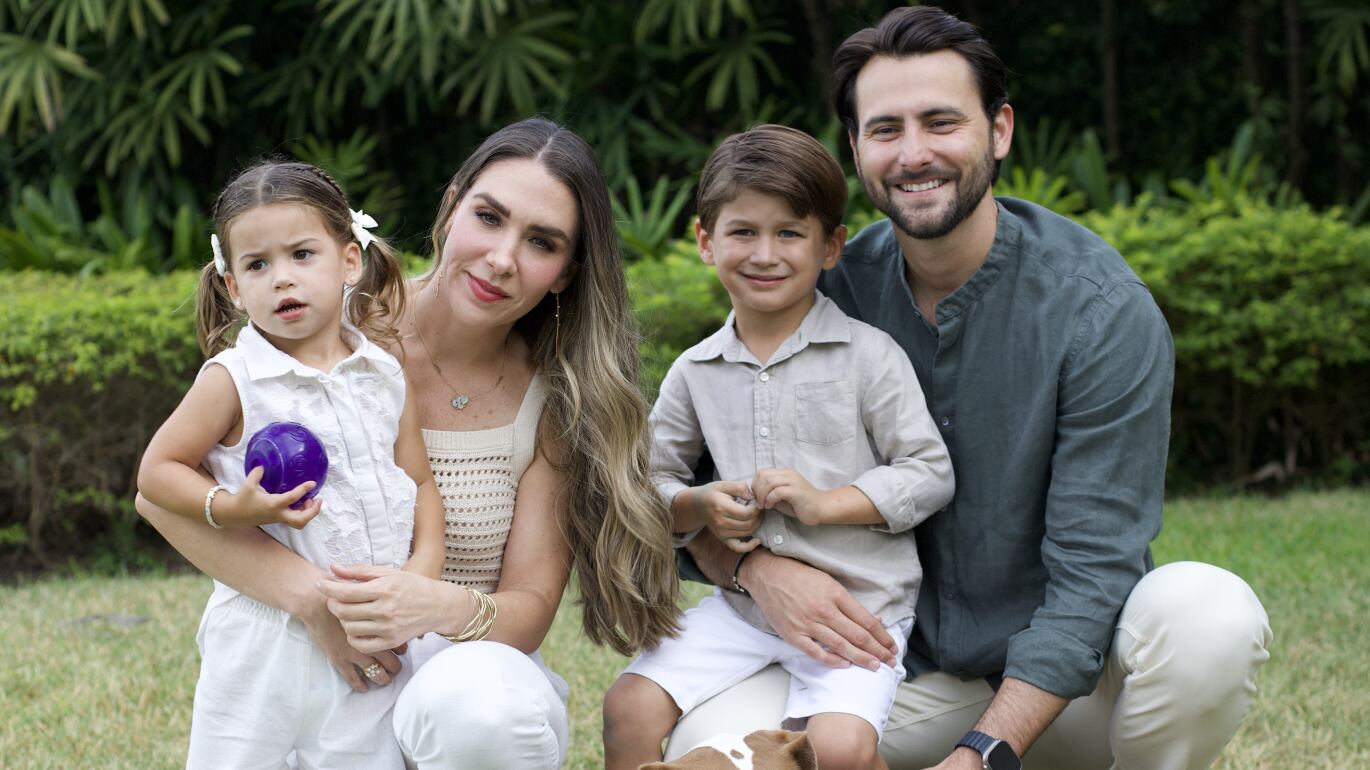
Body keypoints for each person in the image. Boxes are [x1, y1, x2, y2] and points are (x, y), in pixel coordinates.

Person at [669, 8, 1272, 770]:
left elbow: (1095, 573)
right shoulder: (818, 289)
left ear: (999, 131)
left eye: (941, 122)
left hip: (1070, 692)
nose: (914, 153)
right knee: (702, 749)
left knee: (1209, 617)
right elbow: (685, 506)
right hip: (883, 671)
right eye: (886, 130)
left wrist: (982, 753)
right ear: (856, 149)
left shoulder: (1098, 311)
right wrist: (757, 571)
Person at [136, 118, 681, 769]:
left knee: (481, 715)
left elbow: (531, 608)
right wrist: (314, 601)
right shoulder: (324, 332)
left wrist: (428, 601)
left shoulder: (554, 404)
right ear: (450, 209)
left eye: (541, 242)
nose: (502, 258)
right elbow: (159, 494)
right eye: (489, 217)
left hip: (457, 674)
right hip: (304, 654)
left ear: (565, 272)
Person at [602, 125, 955, 770]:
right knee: (628, 707)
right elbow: (647, 484)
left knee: (840, 750)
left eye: (790, 233)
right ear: (706, 241)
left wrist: (825, 504)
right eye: (743, 231)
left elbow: (929, 472)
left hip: (859, 611)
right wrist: (698, 504)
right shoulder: (696, 371)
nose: (765, 254)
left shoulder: (869, 356)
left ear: (831, 246)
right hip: (744, 610)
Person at [136, 159, 446, 769]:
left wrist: (423, 570)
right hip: (263, 642)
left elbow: (419, 481)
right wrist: (230, 506)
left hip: (372, 629)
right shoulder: (234, 379)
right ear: (233, 287)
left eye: (302, 255)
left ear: (349, 261)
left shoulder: (384, 372)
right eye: (257, 265)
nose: (282, 279)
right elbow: (157, 471)